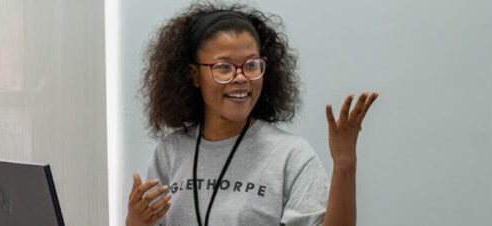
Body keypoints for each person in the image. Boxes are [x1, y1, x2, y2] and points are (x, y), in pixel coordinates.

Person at [126, 2, 378, 226]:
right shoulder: (170, 153)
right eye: (224, 67)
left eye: (251, 65)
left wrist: (345, 166)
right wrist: (135, 221)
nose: (241, 78)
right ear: (194, 75)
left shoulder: (291, 156)